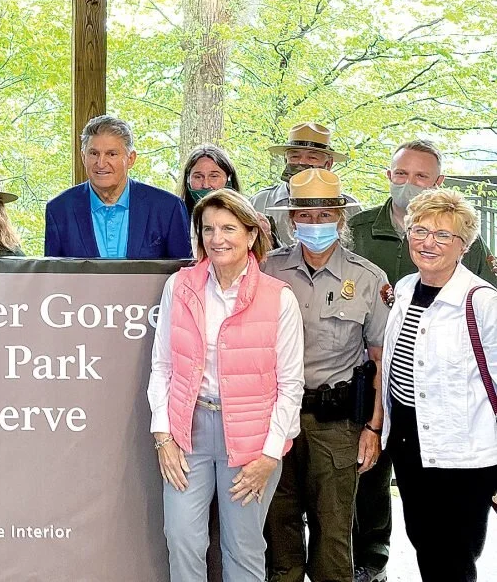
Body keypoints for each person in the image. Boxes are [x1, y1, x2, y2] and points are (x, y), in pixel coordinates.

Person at [348, 140, 497, 582]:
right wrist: (377, 426)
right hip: (409, 439)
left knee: (454, 557)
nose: (428, 242)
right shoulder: (405, 289)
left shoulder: (482, 302)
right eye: (420, 231)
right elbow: (389, 366)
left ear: (464, 245)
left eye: (443, 235)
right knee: (425, 544)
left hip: (463, 450)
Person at [147, 189, 304, 580]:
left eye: (228, 228)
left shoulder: (279, 298)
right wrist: (163, 436)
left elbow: (290, 386)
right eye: (208, 229)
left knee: (243, 547)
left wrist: (269, 455)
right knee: (181, 538)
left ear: (251, 235)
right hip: (189, 432)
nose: (217, 238)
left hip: (253, 441)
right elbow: (162, 365)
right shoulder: (179, 287)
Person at [260, 168, 391, 582]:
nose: (314, 223)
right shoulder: (267, 270)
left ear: (340, 218)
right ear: (291, 219)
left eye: (324, 215)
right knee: (277, 531)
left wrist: (374, 427)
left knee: (333, 537)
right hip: (273, 419)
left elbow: (381, 361)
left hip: (335, 424)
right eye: (304, 215)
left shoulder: (367, 278)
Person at [45, 114, 192, 259]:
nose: (101, 163)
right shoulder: (59, 210)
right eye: (94, 153)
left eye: (112, 154)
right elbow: (52, 273)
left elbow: (185, 272)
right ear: (83, 157)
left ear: (131, 159)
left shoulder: (168, 208)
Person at [249, 122, 359, 247]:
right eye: (295, 156)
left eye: (312, 157)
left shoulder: (349, 207)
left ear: (328, 164)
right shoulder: (259, 202)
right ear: (285, 159)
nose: (301, 162)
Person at [176, 144, 244, 217]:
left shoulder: (246, 219)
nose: (206, 185)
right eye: (198, 177)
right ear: (188, 179)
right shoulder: (176, 217)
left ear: (229, 178)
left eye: (214, 176)